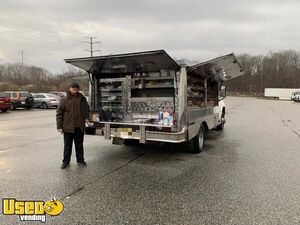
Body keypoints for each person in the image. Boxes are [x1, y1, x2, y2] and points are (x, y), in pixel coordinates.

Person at [56, 83, 89, 169]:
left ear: (78, 89)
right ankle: (65, 162)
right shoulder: (64, 100)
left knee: (79, 145)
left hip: (79, 127)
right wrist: (59, 126)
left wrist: (86, 118)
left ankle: (80, 161)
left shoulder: (82, 99)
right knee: (67, 146)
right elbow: (59, 114)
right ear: (70, 89)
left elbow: (86, 110)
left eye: (76, 88)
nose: (74, 89)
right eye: (73, 87)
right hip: (68, 127)